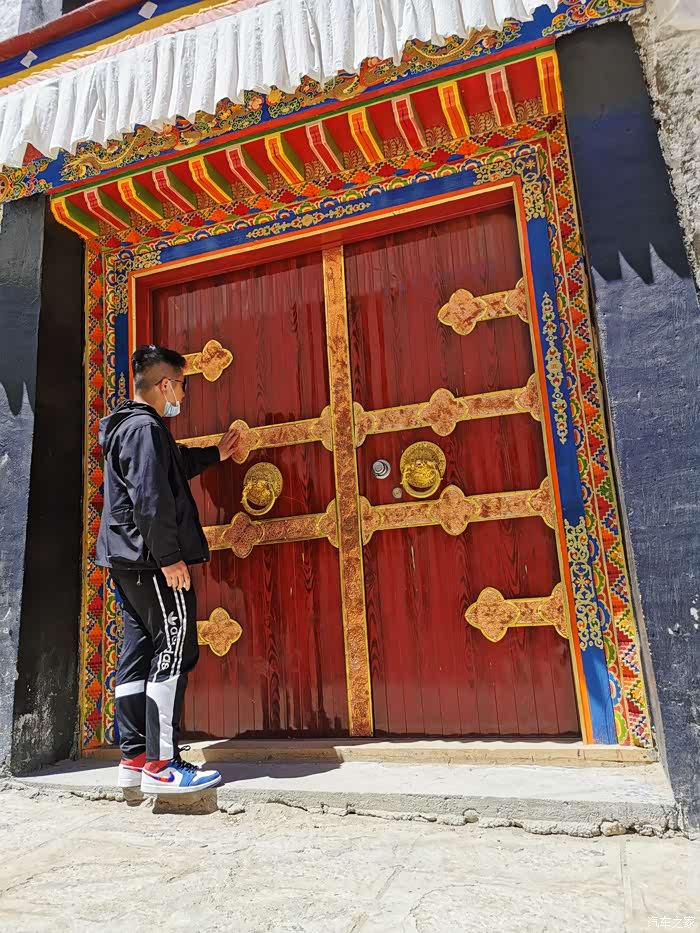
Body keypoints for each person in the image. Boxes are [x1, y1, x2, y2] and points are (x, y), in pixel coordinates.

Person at [96, 344, 239, 795]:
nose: (183, 394)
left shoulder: (129, 426)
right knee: (173, 651)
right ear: (165, 384)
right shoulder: (145, 429)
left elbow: (171, 467)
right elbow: (150, 498)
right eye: (182, 385)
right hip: (152, 561)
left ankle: (134, 757)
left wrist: (216, 453)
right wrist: (170, 557)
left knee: (138, 652)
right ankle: (162, 766)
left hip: (127, 560)